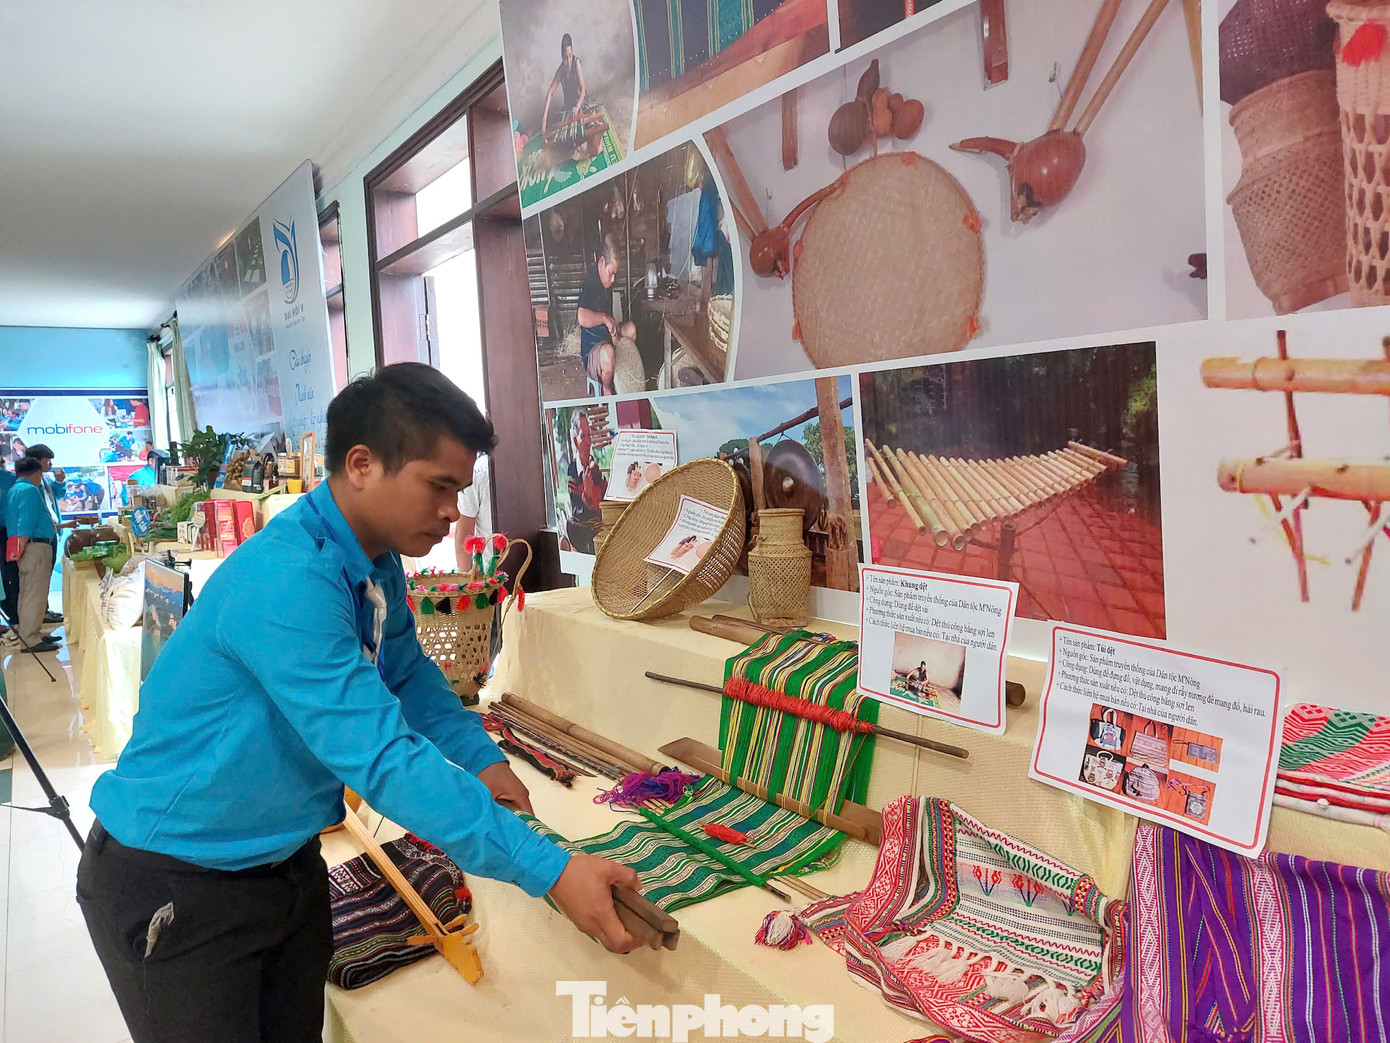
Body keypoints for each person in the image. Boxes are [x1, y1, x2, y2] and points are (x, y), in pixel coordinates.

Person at [77, 363, 639, 1042]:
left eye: (459, 491)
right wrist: (548, 869)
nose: (452, 512)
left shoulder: (373, 563)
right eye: (439, 486)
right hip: (179, 880)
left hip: (283, 865)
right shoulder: (289, 580)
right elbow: (383, 758)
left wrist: (482, 759)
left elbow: (409, 676)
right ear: (362, 464)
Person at [4, 457, 61, 653]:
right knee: (34, 595)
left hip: (26, 547)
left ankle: (32, 633)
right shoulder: (29, 490)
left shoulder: (14, 490)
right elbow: (25, 522)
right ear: (36, 472)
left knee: (28, 593)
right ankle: (30, 639)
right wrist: (22, 547)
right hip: (34, 546)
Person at [577, 234, 636, 396]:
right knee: (609, 353)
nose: (613, 278)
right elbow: (582, 317)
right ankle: (606, 386)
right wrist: (604, 318)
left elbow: (610, 319)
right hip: (594, 350)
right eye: (611, 272)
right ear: (602, 262)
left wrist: (614, 331)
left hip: (607, 338)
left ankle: (623, 375)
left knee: (631, 329)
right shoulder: (590, 281)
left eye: (615, 273)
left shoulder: (606, 280)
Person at [565, 410, 607, 553]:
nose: (589, 442)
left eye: (590, 435)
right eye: (584, 436)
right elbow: (577, 512)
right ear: (576, 440)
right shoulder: (572, 471)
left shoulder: (595, 468)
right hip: (583, 535)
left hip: (601, 530)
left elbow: (605, 502)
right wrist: (586, 495)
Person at [542, 33, 586, 141]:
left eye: (570, 56)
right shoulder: (560, 71)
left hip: (580, 104)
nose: (569, 60)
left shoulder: (576, 63)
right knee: (556, 130)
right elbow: (550, 93)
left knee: (583, 130)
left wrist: (577, 106)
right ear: (562, 56)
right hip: (568, 109)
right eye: (566, 57)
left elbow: (583, 90)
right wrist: (544, 119)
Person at [0, 457, 18, 633]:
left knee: (8, 572)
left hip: (7, 531)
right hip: (8, 530)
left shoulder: (9, 479)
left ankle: (13, 612)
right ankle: (14, 612)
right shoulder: (10, 479)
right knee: (10, 572)